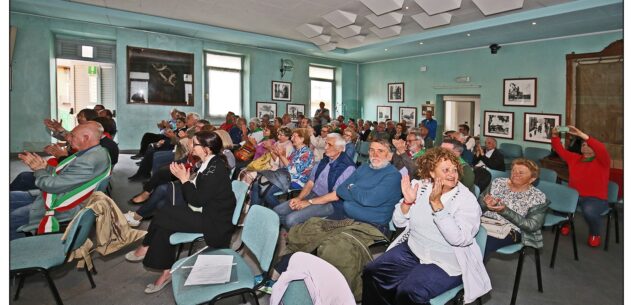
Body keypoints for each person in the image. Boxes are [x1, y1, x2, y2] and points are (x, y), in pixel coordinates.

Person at [362, 147, 491, 305]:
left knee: (409, 291)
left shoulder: (466, 200)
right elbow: (398, 222)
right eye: (445, 170)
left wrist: (437, 205)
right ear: (431, 173)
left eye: (454, 169)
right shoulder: (421, 187)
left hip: (446, 261)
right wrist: (407, 202)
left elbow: (458, 239)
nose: (452, 174)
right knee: (372, 272)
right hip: (414, 248)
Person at [125, 131, 236, 294]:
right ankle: (163, 269)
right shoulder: (209, 162)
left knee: (164, 214)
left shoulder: (216, 169)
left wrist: (184, 179)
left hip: (214, 222)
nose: (191, 145)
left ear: (207, 149)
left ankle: (147, 248)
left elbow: (197, 200)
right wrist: (185, 179)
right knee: (164, 219)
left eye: (194, 143)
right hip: (206, 212)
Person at [10, 122, 111, 240]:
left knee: (12, 218)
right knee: (10, 197)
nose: (69, 139)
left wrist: (39, 169)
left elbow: (50, 185)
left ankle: (18, 251)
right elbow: (67, 174)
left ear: (86, 138)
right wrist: (45, 166)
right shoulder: (96, 151)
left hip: (63, 205)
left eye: (73, 136)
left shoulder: (88, 160)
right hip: (62, 192)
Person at [273, 133, 356, 228]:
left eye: (329, 145)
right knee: (277, 211)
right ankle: (295, 233)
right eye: (325, 143)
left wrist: (308, 202)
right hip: (313, 195)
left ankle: (298, 235)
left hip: (331, 203)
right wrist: (299, 198)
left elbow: (335, 196)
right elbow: (310, 182)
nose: (325, 147)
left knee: (291, 219)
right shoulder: (324, 160)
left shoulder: (347, 167)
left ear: (340, 148)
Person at [551, 126, 611, 247]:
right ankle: (565, 222)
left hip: (596, 198)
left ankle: (595, 233)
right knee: (556, 203)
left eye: (587, 144)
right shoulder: (575, 158)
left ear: (594, 149)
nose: (584, 145)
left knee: (589, 210)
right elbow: (559, 150)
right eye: (583, 144)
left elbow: (601, 148)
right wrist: (554, 136)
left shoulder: (602, 161)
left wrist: (582, 135)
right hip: (575, 195)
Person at [479, 158, 548, 259]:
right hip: (485, 221)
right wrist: (485, 203)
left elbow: (532, 226)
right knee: (460, 236)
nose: (515, 174)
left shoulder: (538, 197)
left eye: (521, 173)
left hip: (512, 230)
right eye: (514, 171)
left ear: (532, 179)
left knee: (482, 245)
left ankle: (470, 273)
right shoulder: (498, 183)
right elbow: (478, 204)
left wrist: (504, 211)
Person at [335, 139, 403, 234]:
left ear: (390, 155)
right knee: (316, 232)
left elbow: (368, 200)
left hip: (372, 225)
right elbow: (340, 190)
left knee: (334, 245)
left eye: (380, 151)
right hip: (348, 217)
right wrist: (362, 197)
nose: (375, 154)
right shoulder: (364, 167)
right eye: (372, 150)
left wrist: (352, 187)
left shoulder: (393, 175)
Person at [250, 128, 314, 208]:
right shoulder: (296, 151)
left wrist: (281, 156)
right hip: (284, 176)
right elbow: (282, 166)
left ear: (302, 139)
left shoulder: (306, 153)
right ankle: (253, 211)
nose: (291, 138)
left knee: (265, 191)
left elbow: (293, 170)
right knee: (256, 184)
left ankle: (281, 212)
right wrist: (280, 155)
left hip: (296, 180)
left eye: (294, 136)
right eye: (292, 136)